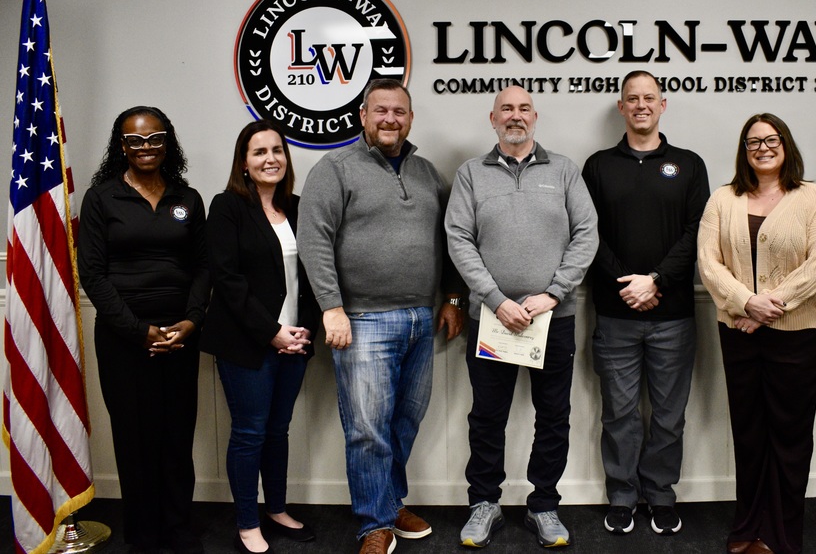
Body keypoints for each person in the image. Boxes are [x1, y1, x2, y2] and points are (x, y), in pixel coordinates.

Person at [296, 79, 465, 554]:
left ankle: (388, 503)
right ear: (363, 116)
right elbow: (314, 242)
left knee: (404, 422)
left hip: (420, 317)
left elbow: (453, 239)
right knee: (367, 428)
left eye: (400, 112)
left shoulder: (428, 173)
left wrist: (453, 297)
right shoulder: (335, 169)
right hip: (362, 321)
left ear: (411, 119)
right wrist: (331, 307)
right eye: (381, 111)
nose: (390, 119)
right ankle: (374, 523)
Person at [445, 86, 598, 549]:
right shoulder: (471, 173)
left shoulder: (565, 171)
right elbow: (458, 238)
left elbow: (586, 235)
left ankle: (544, 505)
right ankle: (483, 503)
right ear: (492, 119)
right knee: (487, 416)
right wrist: (494, 298)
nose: (516, 116)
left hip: (553, 318)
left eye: (524, 108)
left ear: (536, 117)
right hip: (490, 319)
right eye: (506, 109)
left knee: (554, 416)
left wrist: (552, 293)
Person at [697, 113, 816, 554]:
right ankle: (747, 525)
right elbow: (708, 262)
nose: (762, 147)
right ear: (744, 150)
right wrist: (745, 302)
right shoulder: (723, 198)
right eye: (753, 141)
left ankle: (781, 533)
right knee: (749, 432)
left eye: (771, 139)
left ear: (786, 144)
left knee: (790, 437)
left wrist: (765, 308)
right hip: (739, 334)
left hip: (797, 336)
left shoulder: (815, 197)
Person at [582, 70, 709, 536]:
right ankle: (621, 495)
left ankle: (660, 495)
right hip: (615, 314)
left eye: (649, 98)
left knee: (669, 415)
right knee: (618, 412)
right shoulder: (597, 165)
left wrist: (655, 279)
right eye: (632, 98)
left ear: (662, 104)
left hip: (673, 315)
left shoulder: (689, 164)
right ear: (621, 107)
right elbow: (585, 233)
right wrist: (627, 283)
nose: (641, 105)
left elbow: (698, 231)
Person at [78, 106, 210, 554]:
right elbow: (92, 274)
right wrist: (140, 331)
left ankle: (178, 528)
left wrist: (190, 322)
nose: (146, 147)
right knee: (135, 441)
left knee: (176, 437)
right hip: (124, 341)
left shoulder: (187, 198)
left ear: (167, 141)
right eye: (135, 140)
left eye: (155, 137)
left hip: (180, 338)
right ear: (122, 146)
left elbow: (203, 267)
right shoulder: (101, 198)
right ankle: (144, 535)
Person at [201, 121, 319, 554]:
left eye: (277, 150)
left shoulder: (299, 207)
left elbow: (314, 274)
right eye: (258, 152)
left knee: (278, 430)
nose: (270, 158)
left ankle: (276, 508)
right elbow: (228, 281)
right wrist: (272, 333)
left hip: (297, 340)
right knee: (250, 432)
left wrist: (303, 330)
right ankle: (248, 521)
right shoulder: (228, 206)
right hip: (248, 343)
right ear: (244, 163)